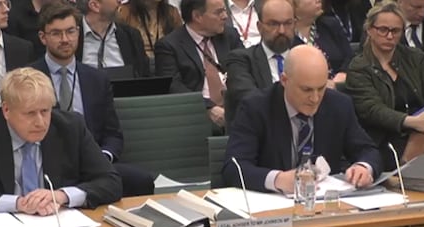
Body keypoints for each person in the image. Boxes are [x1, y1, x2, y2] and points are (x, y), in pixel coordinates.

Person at [0, 67, 122, 214]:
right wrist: (19, 203)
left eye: (45, 111)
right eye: (30, 113)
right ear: (6, 110)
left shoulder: (70, 127)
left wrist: (61, 196)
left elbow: (111, 182)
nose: (40, 122)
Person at [31, 2, 154, 197]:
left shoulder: (96, 79)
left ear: (78, 33)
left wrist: (103, 157)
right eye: (56, 33)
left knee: (141, 180)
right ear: (42, 37)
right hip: (45, 163)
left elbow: (113, 134)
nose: (65, 39)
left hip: (91, 163)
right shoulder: (28, 77)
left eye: (70, 31)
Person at [223, 45, 381, 194]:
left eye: (321, 88)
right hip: (273, 207)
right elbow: (234, 167)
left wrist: (363, 167)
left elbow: (368, 150)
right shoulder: (256, 107)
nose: (315, 98)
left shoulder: (338, 105)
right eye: (306, 90)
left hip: (324, 204)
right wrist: (278, 179)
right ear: (284, 80)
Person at [345, 1, 424, 171]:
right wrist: (412, 122)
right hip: (385, 139)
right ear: (369, 30)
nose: (389, 36)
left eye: (395, 31)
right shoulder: (358, 67)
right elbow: (373, 110)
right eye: (383, 30)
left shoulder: (416, 58)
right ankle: (405, 175)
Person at [154, 0, 242, 130]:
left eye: (224, 10)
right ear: (197, 16)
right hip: (194, 117)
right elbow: (173, 87)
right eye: (218, 12)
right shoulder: (169, 46)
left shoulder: (230, 36)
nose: (225, 16)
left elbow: (245, 70)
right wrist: (207, 107)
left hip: (236, 111)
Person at [225, 0, 299, 125]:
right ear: (259, 27)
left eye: (287, 23)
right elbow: (250, 100)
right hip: (260, 134)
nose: (281, 30)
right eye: (273, 24)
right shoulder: (240, 60)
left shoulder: (303, 59)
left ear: (295, 25)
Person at [76, 0, 150, 78]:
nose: (119, 1)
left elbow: (143, 77)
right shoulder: (71, 36)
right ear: (95, 5)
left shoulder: (131, 36)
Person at [292, 0, 352, 86]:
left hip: (340, 87)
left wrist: (343, 74)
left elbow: (350, 57)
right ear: (293, 6)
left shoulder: (331, 25)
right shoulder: (285, 37)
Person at [117, 0, 182, 60]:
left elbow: (180, 44)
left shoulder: (172, 12)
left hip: (165, 64)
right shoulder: (124, 12)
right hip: (136, 65)